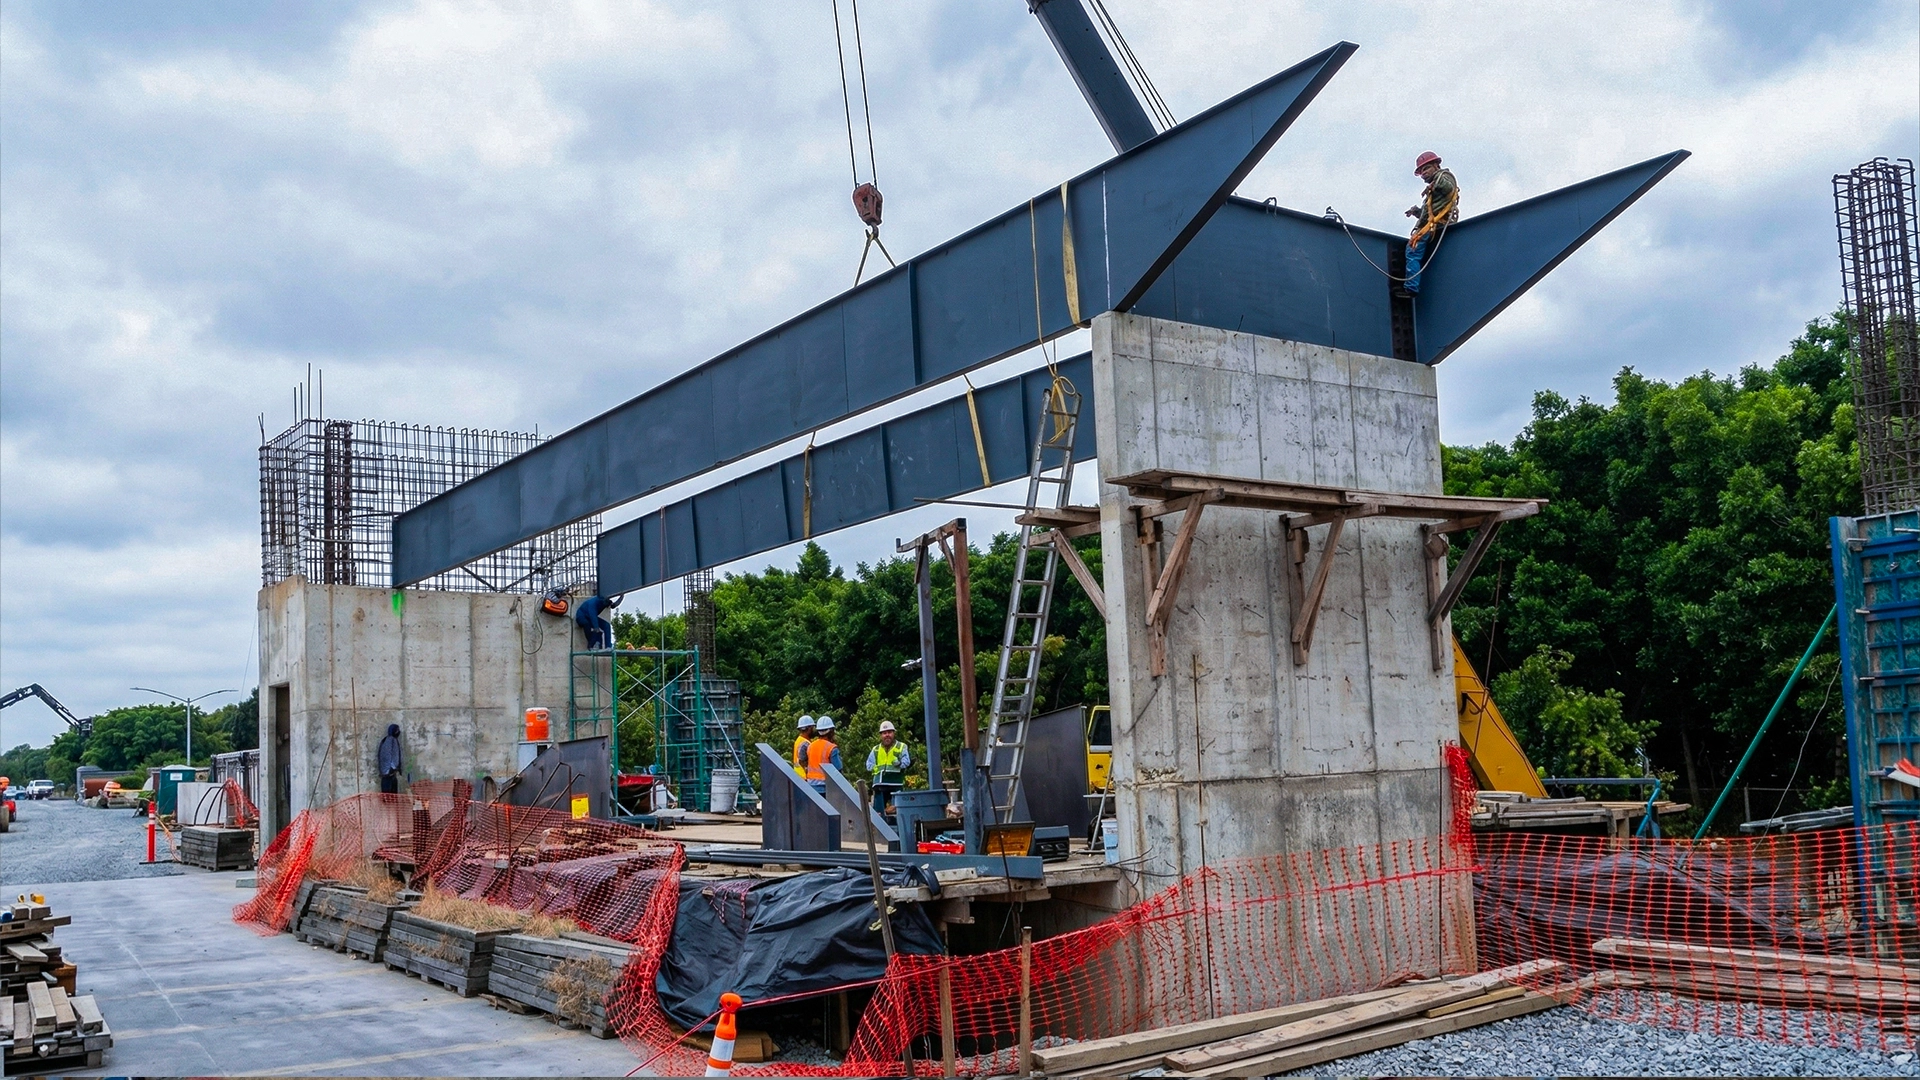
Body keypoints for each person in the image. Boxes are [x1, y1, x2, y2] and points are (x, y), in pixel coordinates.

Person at [1399, 151, 1458, 297]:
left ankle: (1411, 286)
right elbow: (1430, 214)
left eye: (1426, 169)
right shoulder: (1435, 186)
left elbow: (1447, 186)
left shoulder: (1443, 177)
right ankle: (1412, 283)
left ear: (1436, 165)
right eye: (1421, 171)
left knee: (1413, 250)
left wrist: (1434, 184)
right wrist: (1417, 212)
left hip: (1437, 225)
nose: (1424, 173)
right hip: (1433, 223)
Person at [865, 720, 910, 815]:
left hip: (896, 784)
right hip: (880, 785)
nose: (887, 735)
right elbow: (869, 765)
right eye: (884, 733)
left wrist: (900, 764)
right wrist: (875, 769)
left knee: (897, 811)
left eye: (889, 732)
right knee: (879, 813)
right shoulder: (876, 749)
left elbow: (907, 762)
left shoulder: (901, 746)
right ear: (881, 735)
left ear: (894, 733)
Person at [804, 716, 842, 793]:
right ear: (831, 731)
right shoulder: (831, 748)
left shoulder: (811, 746)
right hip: (826, 787)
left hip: (811, 786)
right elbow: (838, 769)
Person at [377, 723, 403, 795]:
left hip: (389, 772)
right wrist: (393, 767)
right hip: (389, 772)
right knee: (389, 794)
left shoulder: (388, 740)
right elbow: (388, 755)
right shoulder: (390, 740)